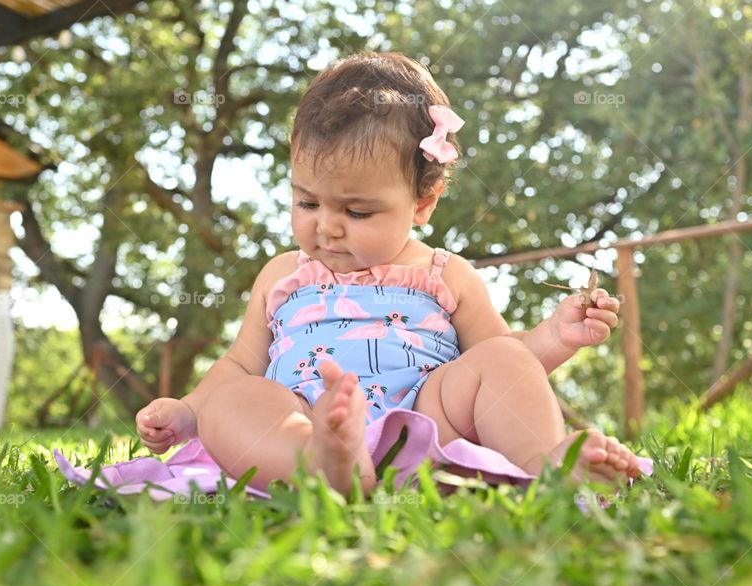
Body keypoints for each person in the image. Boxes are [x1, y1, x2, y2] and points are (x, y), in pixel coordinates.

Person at [136, 52, 641, 497]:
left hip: (427, 427)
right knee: (236, 400)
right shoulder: (284, 275)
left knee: (503, 356)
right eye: (307, 201)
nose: (327, 227)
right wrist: (189, 408)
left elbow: (502, 366)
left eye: (357, 213)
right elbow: (241, 364)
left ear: (422, 203)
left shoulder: (447, 274)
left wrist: (555, 336)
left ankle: (546, 466)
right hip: (304, 419)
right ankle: (320, 464)